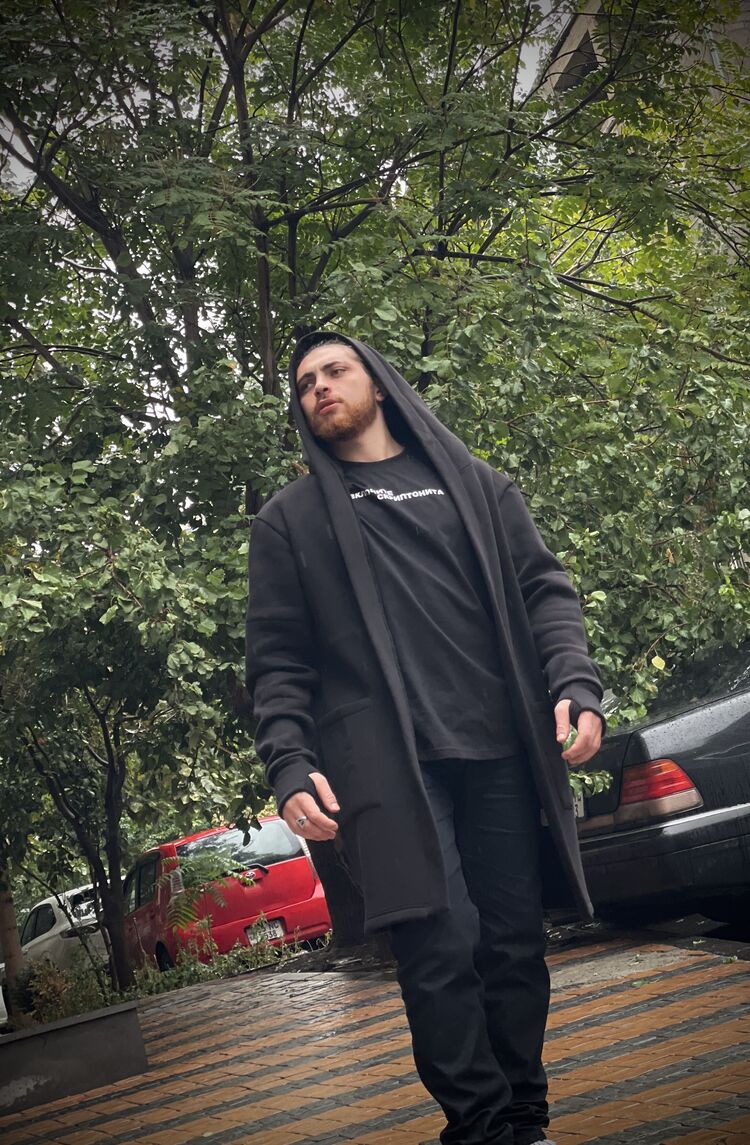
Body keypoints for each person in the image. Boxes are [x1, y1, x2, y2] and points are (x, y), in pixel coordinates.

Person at [245, 332, 605, 1145]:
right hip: (387, 766)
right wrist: (290, 762)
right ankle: (479, 1129)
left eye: (334, 370)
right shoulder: (290, 522)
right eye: (304, 383)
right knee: (439, 945)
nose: (318, 387)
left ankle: (526, 1119)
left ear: (378, 382)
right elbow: (277, 663)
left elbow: (545, 591)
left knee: (513, 943)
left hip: (501, 747)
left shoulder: (477, 485)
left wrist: (575, 685)